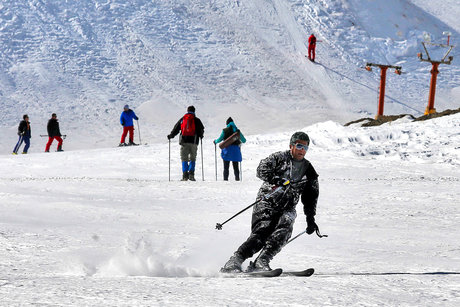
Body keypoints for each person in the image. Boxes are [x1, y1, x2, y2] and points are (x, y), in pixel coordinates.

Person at [220, 131, 320, 273]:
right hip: (267, 202)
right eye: (299, 146)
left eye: (305, 148)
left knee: (285, 227)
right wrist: (276, 180)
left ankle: (262, 261)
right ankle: (235, 260)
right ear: (291, 146)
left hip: (288, 207)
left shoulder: (308, 170)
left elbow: (311, 197)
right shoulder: (279, 158)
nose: (302, 150)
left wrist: (311, 219)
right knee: (262, 233)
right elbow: (261, 169)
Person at [167, 106, 205, 181]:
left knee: (184, 159)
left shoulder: (183, 119)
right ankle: (191, 175)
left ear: (187, 111)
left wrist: (171, 135)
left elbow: (176, 128)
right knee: (192, 158)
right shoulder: (196, 120)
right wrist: (201, 136)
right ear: (194, 111)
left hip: (184, 142)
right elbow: (201, 130)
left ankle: (185, 176)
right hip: (194, 142)